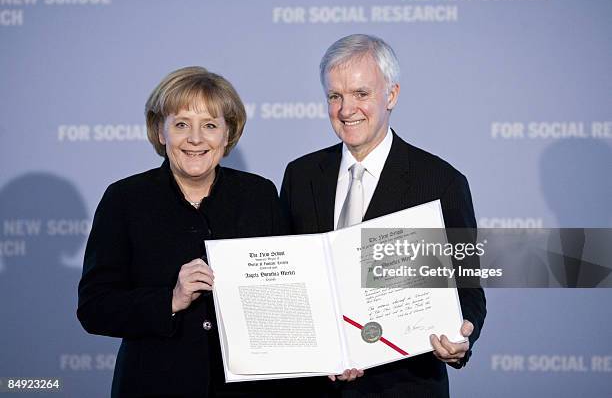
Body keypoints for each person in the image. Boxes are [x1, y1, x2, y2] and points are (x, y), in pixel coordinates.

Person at [280, 34, 487, 397]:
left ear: (391, 95)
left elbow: (467, 287)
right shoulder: (300, 176)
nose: (346, 109)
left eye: (361, 94)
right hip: (315, 389)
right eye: (335, 96)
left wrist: (461, 335)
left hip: (404, 386)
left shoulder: (441, 181)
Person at [77, 66, 287, 397]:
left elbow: (287, 294)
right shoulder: (125, 199)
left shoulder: (259, 195)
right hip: (154, 386)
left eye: (210, 125)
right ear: (160, 132)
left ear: (227, 134)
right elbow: (95, 307)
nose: (195, 139)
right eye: (181, 125)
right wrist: (170, 300)